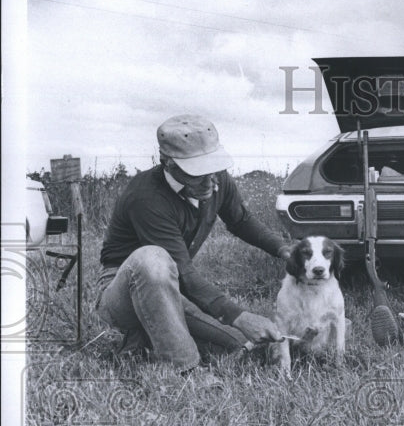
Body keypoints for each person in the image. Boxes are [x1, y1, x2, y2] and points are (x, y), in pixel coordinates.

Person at [96, 114, 289, 372]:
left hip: (171, 288)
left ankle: (146, 337)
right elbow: (184, 272)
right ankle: (185, 369)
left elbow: (241, 220)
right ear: (168, 164)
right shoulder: (146, 197)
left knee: (244, 345)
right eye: (197, 173)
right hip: (124, 294)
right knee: (151, 259)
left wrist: (284, 249)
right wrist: (240, 316)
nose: (211, 182)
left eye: (212, 168)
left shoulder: (214, 178)